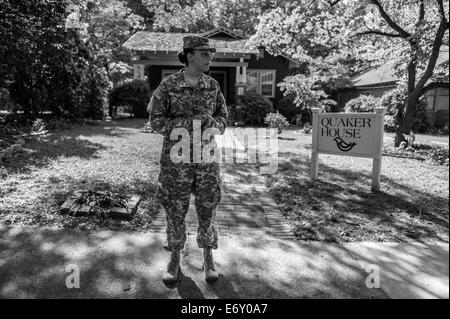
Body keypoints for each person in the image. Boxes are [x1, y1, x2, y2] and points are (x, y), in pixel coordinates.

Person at [148, 35, 228, 284]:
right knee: (174, 208)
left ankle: (208, 257)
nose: (210, 58)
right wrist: (186, 123)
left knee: (207, 206)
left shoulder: (213, 85)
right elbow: (155, 120)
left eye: (211, 54)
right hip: (176, 160)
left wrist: (211, 123)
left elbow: (223, 120)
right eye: (205, 53)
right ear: (189, 55)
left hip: (206, 159)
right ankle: (174, 259)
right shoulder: (168, 85)